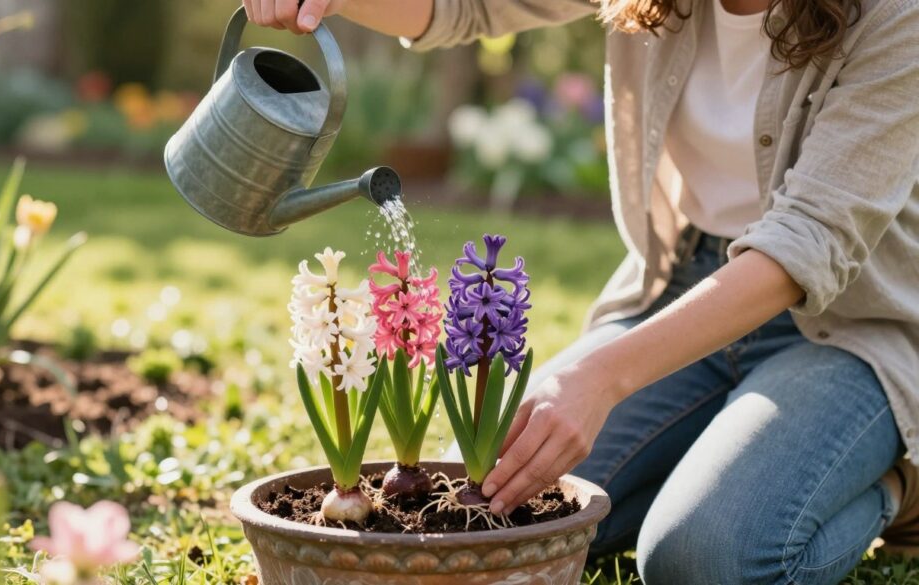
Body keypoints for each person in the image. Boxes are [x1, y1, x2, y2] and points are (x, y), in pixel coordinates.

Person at [244, 0, 919, 582]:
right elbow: (466, 7)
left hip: (849, 325)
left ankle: (902, 489)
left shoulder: (896, 15)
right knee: (498, 507)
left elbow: (805, 243)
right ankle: (726, 445)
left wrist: (602, 376)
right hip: (677, 292)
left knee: (704, 560)